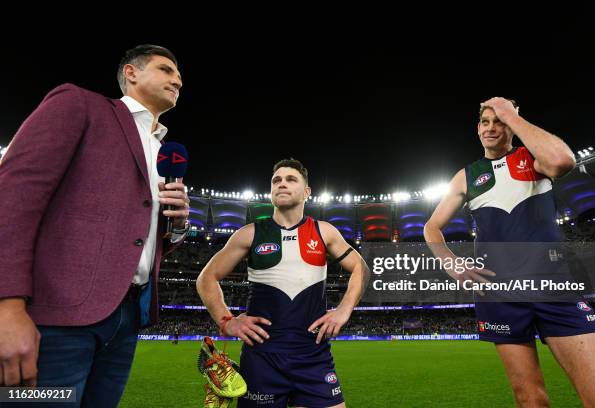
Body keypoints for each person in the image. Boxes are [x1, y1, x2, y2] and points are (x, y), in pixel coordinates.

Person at [0, 44, 190, 406]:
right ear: (131, 74)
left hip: (127, 318)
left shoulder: (163, 151)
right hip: (57, 319)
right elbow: (13, 197)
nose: (178, 79)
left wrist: (177, 226)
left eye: (179, 75)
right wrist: (6, 305)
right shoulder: (80, 104)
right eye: (166, 69)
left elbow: (138, 238)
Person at [424, 97, 595, 407]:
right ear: (477, 129)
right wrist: (451, 263)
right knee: (529, 398)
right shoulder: (467, 176)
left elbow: (562, 161)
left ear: (511, 125)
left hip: (553, 285)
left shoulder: (533, 158)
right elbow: (431, 227)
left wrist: (510, 114)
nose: (491, 127)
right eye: (485, 122)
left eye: (499, 121)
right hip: (499, 293)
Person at [197, 158, 370, 408]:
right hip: (261, 360)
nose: (282, 184)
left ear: (307, 192)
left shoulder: (324, 232)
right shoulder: (250, 233)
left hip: (313, 356)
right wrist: (227, 320)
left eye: (291, 179)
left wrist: (344, 310)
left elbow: (361, 268)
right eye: (276, 180)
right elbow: (206, 278)